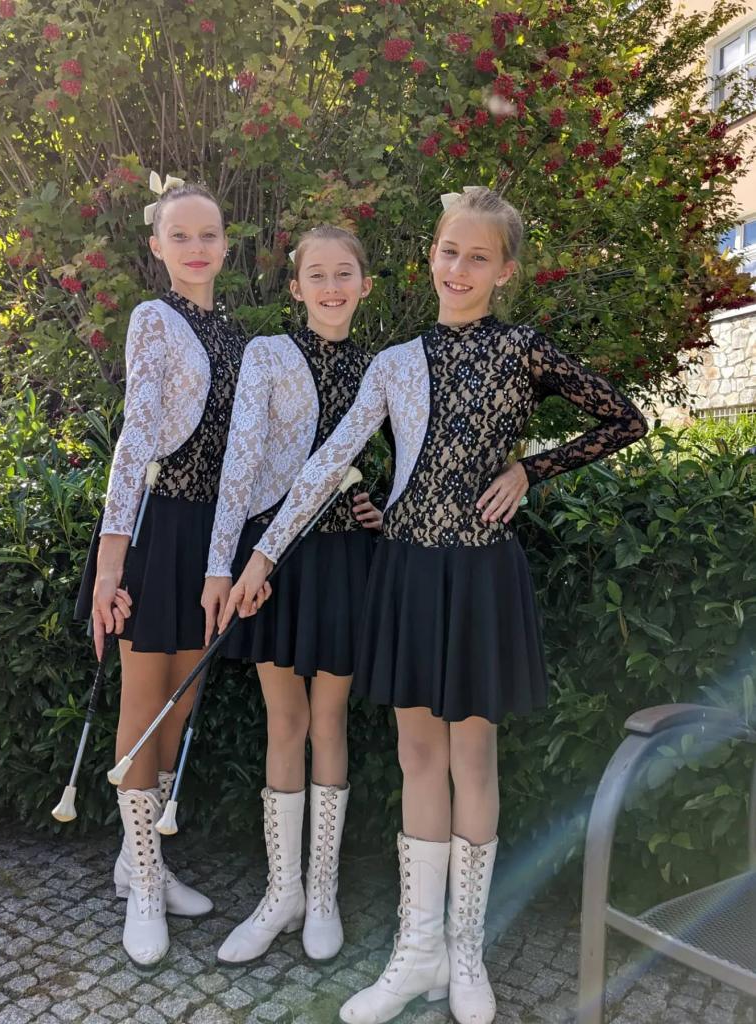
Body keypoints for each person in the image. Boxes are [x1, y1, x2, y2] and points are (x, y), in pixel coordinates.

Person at [223, 187, 648, 1023]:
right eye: (448, 252)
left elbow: (623, 419)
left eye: (477, 257)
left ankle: (464, 951)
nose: (459, 268)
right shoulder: (396, 362)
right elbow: (327, 463)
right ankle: (417, 953)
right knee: (417, 756)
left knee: (472, 760)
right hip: (408, 572)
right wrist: (261, 556)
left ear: (504, 271)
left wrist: (530, 469)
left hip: (481, 574)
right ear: (430, 258)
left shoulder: (523, 350)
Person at [75, 177, 245, 968]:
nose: (196, 248)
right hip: (154, 529)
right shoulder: (155, 318)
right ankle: (144, 884)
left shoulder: (236, 335)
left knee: (181, 700)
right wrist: (110, 569)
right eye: (180, 236)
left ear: (225, 244)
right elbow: (134, 439)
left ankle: (134, 859)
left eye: (208, 234)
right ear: (156, 247)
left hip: (211, 536)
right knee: (144, 703)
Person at [202, 225, 383, 965]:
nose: (331, 287)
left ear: (365, 284)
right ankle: (283, 893)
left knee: (329, 721)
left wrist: (380, 504)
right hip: (268, 562)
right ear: (296, 286)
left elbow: (400, 462)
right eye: (317, 275)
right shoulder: (268, 355)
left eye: (344, 274)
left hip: (341, 560)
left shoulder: (380, 367)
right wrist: (222, 566)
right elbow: (241, 461)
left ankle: (324, 892)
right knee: (285, 721)